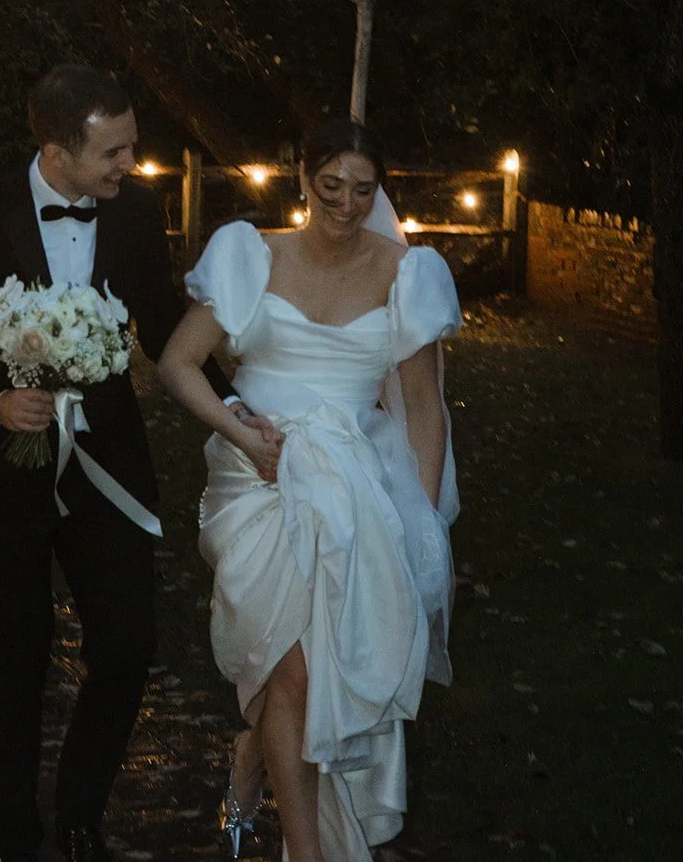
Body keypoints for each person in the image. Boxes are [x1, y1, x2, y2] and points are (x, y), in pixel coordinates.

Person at [0, 64, 275, 862]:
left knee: (125, 647)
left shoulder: (135, 213)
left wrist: (234, 407)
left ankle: (79, 816)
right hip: (2, 477)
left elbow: (165, 326)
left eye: (131, 148)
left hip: (107, 466)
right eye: (113, 152)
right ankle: (12, 833)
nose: (127, 166)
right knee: (14, 659)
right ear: (57, 148)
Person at [158, 118, 461, 862]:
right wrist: (239, 433)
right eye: (331, 185)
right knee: (287, 666)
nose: (347, 203)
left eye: (363, 189)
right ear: (302, 177)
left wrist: (419, 525)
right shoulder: (249, 255)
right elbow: (177, 364)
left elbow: (422, 408)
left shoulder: (407, 273)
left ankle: (255, 755)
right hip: (254, 473)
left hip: (356, 484)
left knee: (318, 671)